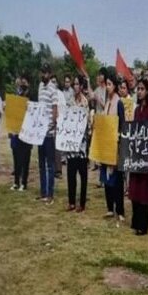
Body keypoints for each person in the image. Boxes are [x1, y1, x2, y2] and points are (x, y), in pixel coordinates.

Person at [128, 79, 148, 235]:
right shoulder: (136, 110)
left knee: (144, 190)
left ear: (147, 91)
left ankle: (143, 225)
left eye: (142, 89)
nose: (139, 91)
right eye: (137, 89)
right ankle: (135, 221)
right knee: (135, 187)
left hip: (146, 154)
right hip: (136, 154)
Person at [101, 72, 126, 222]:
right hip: (105, 145)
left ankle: (120, 209)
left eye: (109, 84)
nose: (107, 87)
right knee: (106, 177)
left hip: (115, 145)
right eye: (106, 84)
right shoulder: (107, 103)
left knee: (117, 179)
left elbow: (122, 124)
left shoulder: (119, 103)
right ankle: (110, 207)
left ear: (115, 86)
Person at [66, 75, 90, 212]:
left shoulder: (85, 102)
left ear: (81, 86)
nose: (75, 86)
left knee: (83, 175)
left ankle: (82, 202)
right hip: (71, 144)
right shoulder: (69, 101)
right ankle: (71, 201)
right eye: (74, 84)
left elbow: (86, 122)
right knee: (70, 173)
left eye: (77, 84)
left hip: (81, 145)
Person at [36, 63, 58, 204]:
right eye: (42, 72)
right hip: (39, 131)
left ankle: (50, 193)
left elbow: (55, 108)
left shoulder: (53, 89)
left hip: (48, 132)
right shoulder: (40, 86)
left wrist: (52, 124)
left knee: (50, 164)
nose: (43, 75)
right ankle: (43, 192)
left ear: (50, 74)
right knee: (41, 164)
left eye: (45, 73)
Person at [9, 75, 35, 191]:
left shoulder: (32, 96)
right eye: (21, 83)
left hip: (27, 130)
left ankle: (24, 182)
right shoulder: (17, 95)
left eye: (24, 83)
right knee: (16, 156)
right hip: (16, 130)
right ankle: (16, 181)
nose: (22, 85)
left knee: (25, 157)